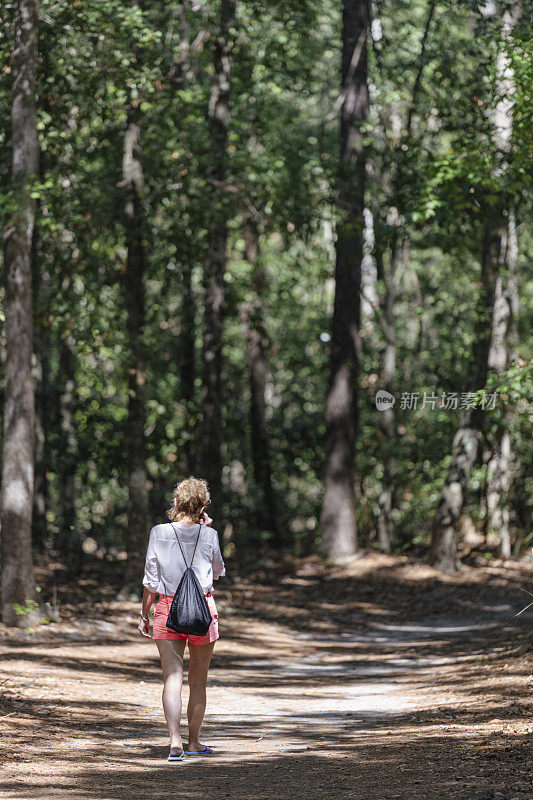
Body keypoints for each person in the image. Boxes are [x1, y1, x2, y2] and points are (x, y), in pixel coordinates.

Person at [138, 476, 226, 762]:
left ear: (176, 502)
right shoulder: (209, 534)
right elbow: (217, 573)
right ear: (202, 507)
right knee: (198, 681)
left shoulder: (159, 532)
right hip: (202, 611)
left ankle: (174, 743)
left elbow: (151, 580)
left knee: (171, 679)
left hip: (166, 609)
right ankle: (195, 743)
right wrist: (206, 533)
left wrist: (144, 613)